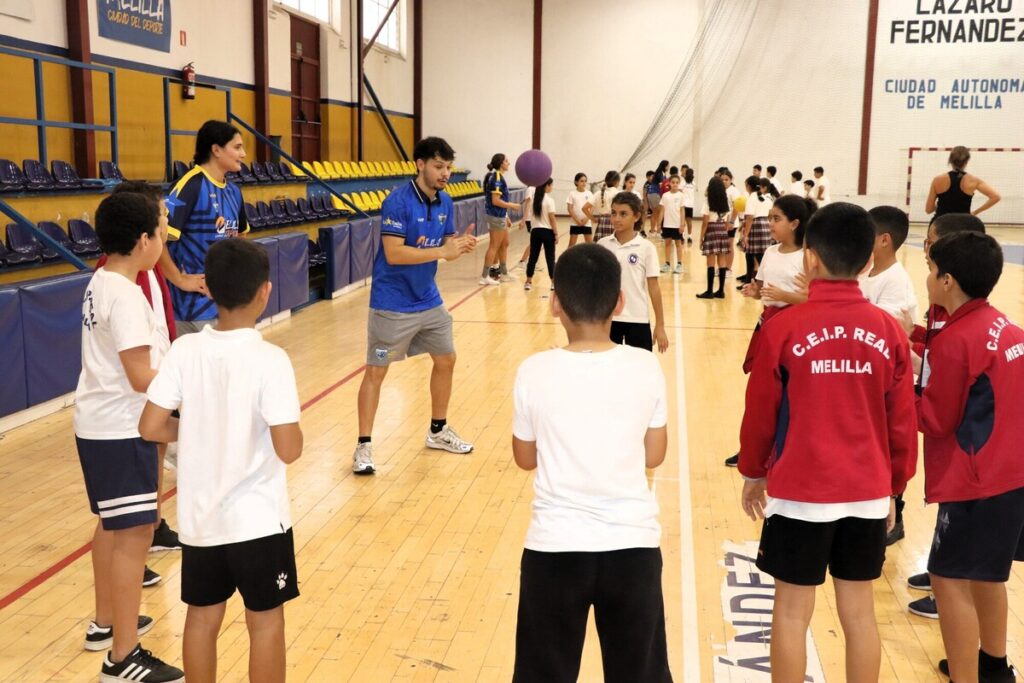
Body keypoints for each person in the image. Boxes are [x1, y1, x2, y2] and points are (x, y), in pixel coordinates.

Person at [739, 202, 917, 683]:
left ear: (809, 259)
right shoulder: (889, 332)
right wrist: (893, 490)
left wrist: (753, 472)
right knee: (859, 614)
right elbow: (902, 423)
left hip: (800, 495)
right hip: (866, 492)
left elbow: (759, 414)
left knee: (791, 613)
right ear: (864, 263)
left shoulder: (783, 328)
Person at [140, 238, 303, 683]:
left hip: (200, 521)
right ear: (265, 291)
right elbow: (289, 448)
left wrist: (196, 431)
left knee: (201, 618)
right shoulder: (271, 360)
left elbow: (150, 427)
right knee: (266, 622)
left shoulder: (184, 351)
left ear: (208, 288)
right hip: (258, 524)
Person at [511, 243, 672, 683]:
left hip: (554, 548)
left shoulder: (533, 370)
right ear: (620, 302)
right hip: (633, 548)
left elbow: (525, 458)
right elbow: (654, 455)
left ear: (555, 303)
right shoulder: (644, 366)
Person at [74, 192, 184, 682]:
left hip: (99, 424)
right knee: (134, 537)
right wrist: (192, 381)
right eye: (160, 234)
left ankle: (106, 623)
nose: (162, 242)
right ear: (144, 241)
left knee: (113, 529)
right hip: (122, 429)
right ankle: (123, 657)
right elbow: (142, 376)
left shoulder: (101, 280)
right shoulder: (128, 295)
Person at [917, 231, 1023, 683]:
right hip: (1012, 472)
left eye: (929, 269)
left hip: (976, 480)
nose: (926, 278)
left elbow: (936, 420)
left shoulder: (957, 340)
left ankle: (965, 677)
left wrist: (899, 385)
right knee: (987, 575)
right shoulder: (1006, 326)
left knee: (947, 579)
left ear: (947, 280)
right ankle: (994, 667)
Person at [352, 137, 478, 475]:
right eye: (439, 166)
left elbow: (446, 243)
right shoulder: (397, 201)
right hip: (391, 305)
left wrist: (459, 244)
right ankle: (363, 446)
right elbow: (394, 254)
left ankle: (438, 431)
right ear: (420, 164)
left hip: (429, 301)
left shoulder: (446, 202)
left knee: (447, 359)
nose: (445, 173)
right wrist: (443, 252)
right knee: (376, 370)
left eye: (449, 167)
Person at [903, 212, 988, 622]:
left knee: (964, 567)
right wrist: (915, 339)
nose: (924, 253)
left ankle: (946, 589)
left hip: (969, 455)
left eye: (930, 247)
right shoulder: (955, 314)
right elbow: (938, 349)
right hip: (978, 455)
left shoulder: (960, 326)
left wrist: (902, 390)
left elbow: (939, 412)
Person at [100, 183, 182, 573]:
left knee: (156, 460)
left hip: (153, 380)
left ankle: (152, 524)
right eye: (162, 217)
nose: (167, 224)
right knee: (120, 510)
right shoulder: (118, 282)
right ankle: (138, 545)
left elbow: (162, 324)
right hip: (133, 399)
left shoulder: (147, 271)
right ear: (143, 233)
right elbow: (133, 366)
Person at [724, 195, 815, 467]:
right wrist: (753, 291)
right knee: (760, 394)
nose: (771, 223)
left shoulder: (808, 258)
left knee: (789, 393)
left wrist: (784, 294)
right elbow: (761, 289)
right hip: (769, 324)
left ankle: (785, 448)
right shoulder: (770, 252)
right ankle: (753, 449)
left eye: (777, 218)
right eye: (770, 217)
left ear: (795, 223)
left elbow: (815, 300)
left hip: (796, 330)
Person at [162, 120, 246, 334]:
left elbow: (240, 240)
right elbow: (157, 239)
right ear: (216, 149)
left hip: (226, 305)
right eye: (237, 147)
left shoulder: (235, 191)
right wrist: (179, 279)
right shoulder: (188, 186)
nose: (243, 154)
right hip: (191, 311)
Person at [599, 191, 669, 353]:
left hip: (637, 319)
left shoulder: (646, 248)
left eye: (623, 214)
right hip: (608, 320)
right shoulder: (603, 245)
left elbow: (654, 288)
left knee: (640, 372)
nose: (616, 219)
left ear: (636, 217)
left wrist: (660, 325)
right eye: (614, 213)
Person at [925, 145, 1001, 221]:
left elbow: (928, 210)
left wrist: (942, 208)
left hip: (940, 223)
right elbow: (996, 197)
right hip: (963, 223)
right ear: (967, 161)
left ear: (950, 160)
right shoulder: (973, 180)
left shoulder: (937, 180)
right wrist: (975, 212)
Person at [480, 153, 520, 285]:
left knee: (505, 243)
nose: (509, 163)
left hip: (501, 215)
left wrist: (506, 215)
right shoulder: (496, 177)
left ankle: (504, 273)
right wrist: (512, 206)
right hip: (495, 216)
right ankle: (484, 276)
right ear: (501, 163)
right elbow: (495, 200)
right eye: (507, 161)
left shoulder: (499, 177)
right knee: (494, 246)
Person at [696, 176, 733, 299]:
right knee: (722, 261)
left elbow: (705, 222)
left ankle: (709, 291)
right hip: (722, 229)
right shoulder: (726, 201)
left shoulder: (708, 201)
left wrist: (701, 237)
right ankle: (721, 291)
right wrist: (724, 229)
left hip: (711, 230)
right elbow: (728, 221)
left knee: (710, 262)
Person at [736, 176, 773, 285]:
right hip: (765, 224)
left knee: (752, 256)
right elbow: (770, 213)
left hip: (755, 226)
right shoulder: (766, 198)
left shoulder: (751, 198)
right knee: (758, 256)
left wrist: (745, 235)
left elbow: (750, 218)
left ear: (748, 186)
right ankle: (752, 281)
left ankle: (752, 282)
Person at [524, 178, 558, 292]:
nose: (552, 187)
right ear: (547, 186)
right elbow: (552, 218)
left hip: (535, 232)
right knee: (550, 258)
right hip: (547, 232)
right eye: (551, 185)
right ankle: (553, 283)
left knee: (533, 257)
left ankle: (528, 282)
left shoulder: (534, 200)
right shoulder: (550, 200)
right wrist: (556, 233)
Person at [656, 175, 685, 274]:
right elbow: (662, 211)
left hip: (677, 224)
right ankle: (667, 264)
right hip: (667, 224)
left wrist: (682, 224)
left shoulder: (681, 195)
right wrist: (659, 224)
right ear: (669, 183)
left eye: (677, 182)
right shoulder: (665, 196)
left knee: (678, 244)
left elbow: (682, 211)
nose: (675, 184)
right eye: (673, 182)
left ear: (679, 183)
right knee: (667, 243)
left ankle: (679, 264)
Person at [584, 170, 621, 241]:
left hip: (601, 223)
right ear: (617, 182)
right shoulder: (618, 193)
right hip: (614, 222)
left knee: (601, 247)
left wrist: (593, 219)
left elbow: (584, 208)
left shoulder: (598, 193)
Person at [566, 172, 593, 247]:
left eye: (585, 181)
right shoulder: (572, 194)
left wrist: (586, 219)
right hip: (575, 223)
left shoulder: (589, 194)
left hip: (586, 223)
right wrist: (577, 220)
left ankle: (590, 259)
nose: (584, 183)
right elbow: (570, 208)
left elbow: (592, 208)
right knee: (571, 245)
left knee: (590, 245)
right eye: (581, 181)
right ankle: (568, 258)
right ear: (576, 182)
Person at [681, 167, 696, 243]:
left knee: (682, 221)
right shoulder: (693, 183)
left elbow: (680, 191)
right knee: (689, 221)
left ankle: (682, 236)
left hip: (683, 204)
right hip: (690, 205)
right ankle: (689, 237)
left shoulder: (683, 182)